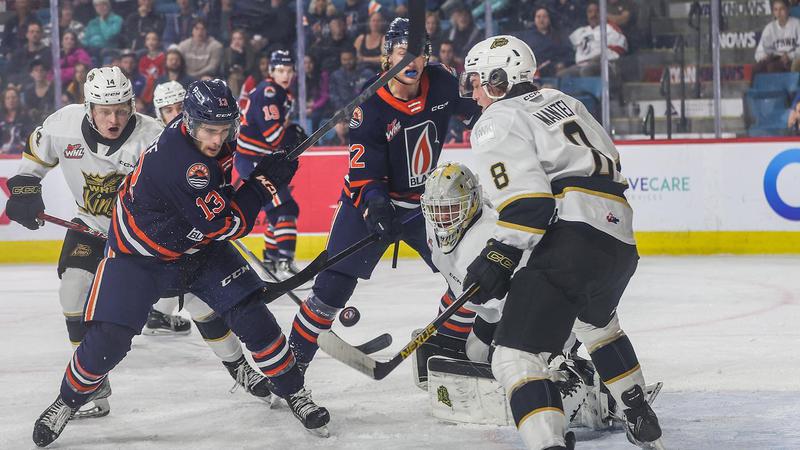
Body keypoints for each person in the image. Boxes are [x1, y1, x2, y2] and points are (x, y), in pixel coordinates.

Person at [27, 79, 329, 448]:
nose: (217, 139)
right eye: (208, 130)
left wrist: (276, 150)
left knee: (252, 316)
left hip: (195, 246)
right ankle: (66, 401)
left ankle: (294, 392)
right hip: (140, 254)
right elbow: (227, 224)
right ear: (188, 122)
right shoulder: (183, 163)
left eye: (223, 129)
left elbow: (219, 203)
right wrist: (264, 184)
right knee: (109, 339)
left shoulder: (208, 136)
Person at [458, 35, 662, 449]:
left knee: (514, 356)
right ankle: (637, 410)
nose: (474, 93)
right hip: (619, 239)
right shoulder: (563, 100)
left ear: (499, 79)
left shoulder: (497, 119)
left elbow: (529, 205)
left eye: (477, 82)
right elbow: (608, 161)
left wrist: (497, 256)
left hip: (574, 237)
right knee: (597, 325)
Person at [287, 17, 481, 375]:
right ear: (387, 56)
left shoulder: (441, 81)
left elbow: (471, 112)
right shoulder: (369, 104)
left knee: (472, 278)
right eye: (402, 52)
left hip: (426, 207)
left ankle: (446, 347)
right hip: (369, 203)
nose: (411, 61)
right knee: (332, 287)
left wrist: (500, 115)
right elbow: (366, 174)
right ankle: (290, 367)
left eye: (418, 53)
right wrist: (377, 208)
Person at [417, 162, 620, 432]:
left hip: (541, 308)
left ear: (472, 204)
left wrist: (547, 350)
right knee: (475, 352)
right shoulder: (434, 229)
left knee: (512, 365)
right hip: (498, 307)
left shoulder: (487, 236)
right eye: (437, 210)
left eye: (451, 209)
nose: (443, 219)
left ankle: (583, 377)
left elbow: (531, 298)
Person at [236, 50, 308, 282]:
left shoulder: (280, 92)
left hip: (258, 159)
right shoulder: (269, 92)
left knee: (276, 210)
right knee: (284, 209)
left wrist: (292, 135)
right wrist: (293, 134)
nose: (285, 75)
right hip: (253, 159)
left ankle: (270, 261)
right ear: (271, 71)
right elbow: (274, 137)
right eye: (280, 70)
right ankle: (284, 263)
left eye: (288, 70)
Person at [557, 0, 627, 78]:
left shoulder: (610, 28)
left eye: (597, 11)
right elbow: (568, 51)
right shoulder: (580, 31)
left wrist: (599, 57)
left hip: (603, 64)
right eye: (590, 12)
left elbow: (620, 49)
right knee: (561, 75)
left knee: (586, 70)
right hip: (581, 65)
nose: (593, 15)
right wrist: (563, 63)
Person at [754, 0, 800, 73]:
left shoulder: (797, 24)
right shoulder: (769, 28)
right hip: (775, 58)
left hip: (792, 60)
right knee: (757, 68)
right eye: (776, 9)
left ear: (788, 9)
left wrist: (790, 56)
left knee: (772, 67)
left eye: (782, 9)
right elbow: (760, 51)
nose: (778, 13)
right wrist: (764, 56)